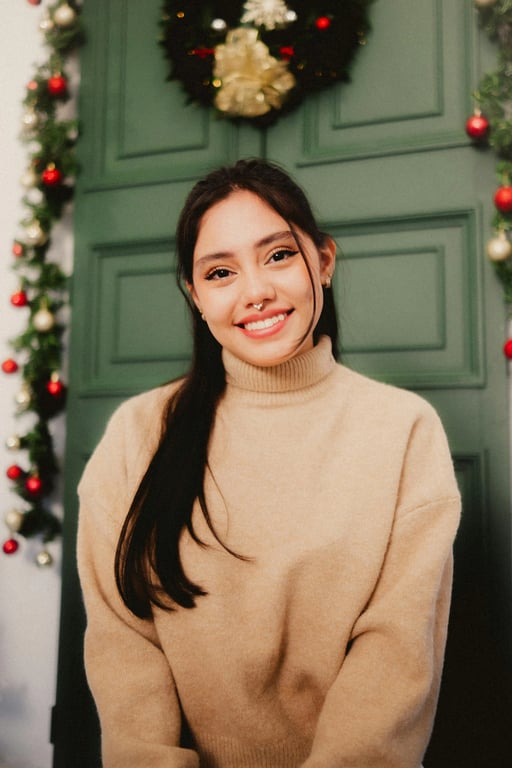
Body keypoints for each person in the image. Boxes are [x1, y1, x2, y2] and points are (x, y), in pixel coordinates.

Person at [77, 158, 461, 768]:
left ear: (324, 262)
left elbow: (396, 649)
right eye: (221, 271)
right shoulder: (137, 433)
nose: (255, 290)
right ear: (195, 295)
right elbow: (124, 641)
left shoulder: (403, 430)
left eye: (278, 255)